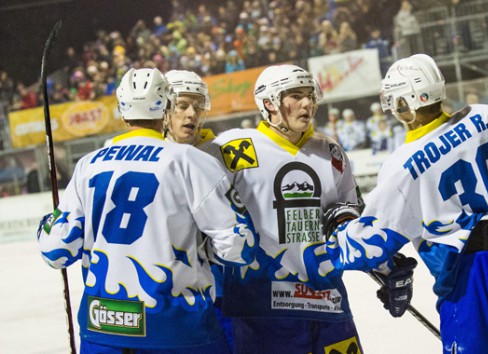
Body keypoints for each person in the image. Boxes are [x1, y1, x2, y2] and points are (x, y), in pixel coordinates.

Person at [327, 54, 488, 353]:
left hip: (472, 276)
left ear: (403, 104)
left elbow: (369, 246)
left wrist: (339, 231)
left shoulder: (403, 166)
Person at [37, 67, 258, 353]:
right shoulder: (190, 160)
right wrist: (200, 247)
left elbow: (56, 251)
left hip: (102, 328)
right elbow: (241, 246)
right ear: (166, 107)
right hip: (177, 329)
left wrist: (48, 222)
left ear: (121, 109)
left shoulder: (88, 165)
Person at [203, 64, 398, 354]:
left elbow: (351, 219)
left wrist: (387, 266)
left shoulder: (330, 152)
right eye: (296, 96)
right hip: (261, 310)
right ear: (269, 103)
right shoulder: (232, 149)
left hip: (328, 302)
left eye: (310, 95)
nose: (307, 103)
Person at [163, 69, 234, 348]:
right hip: (163, 294)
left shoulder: (220, 154)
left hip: (218, 291)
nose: (191, 114)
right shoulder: (146, 156)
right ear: (164, 108)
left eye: (197, 105)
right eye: (182, 106)